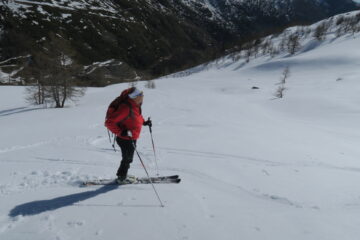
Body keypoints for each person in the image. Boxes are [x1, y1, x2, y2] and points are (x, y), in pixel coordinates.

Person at [105, 87, 152, 183]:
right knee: (127, 159)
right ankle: (121, 177)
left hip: (132, 137)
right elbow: (109, 122)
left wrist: (144, 122)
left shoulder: (136, 105)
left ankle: (122, 175)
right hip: (124, 139)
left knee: (128, 158)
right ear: (135, 97)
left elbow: (137, 117)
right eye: (141, 95)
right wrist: (121, 132)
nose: (143, 97)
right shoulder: (126, 108)